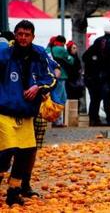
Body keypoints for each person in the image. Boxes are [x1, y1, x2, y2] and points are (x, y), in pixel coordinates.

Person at [0, 20, 56, 206]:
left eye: (27, 34)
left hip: (27, 113)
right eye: (20, 34)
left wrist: (38, 86)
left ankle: (14, 191)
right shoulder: (4, 54)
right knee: (6, 152)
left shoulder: (39, 54)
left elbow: (51, 76)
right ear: (15, 35)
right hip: (5, 110)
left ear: (33, 36)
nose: (23, 38)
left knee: (25, 154)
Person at [82, 24, 110, 126]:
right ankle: (107, 118)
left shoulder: (95, 45)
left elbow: (85, 58)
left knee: (95, 100)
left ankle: (94, 119)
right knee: (106, 99)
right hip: (104, 77)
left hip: (93, 78)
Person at [47, 35, 73, 127]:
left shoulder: (48, 50)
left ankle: (54, 119)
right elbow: (71, 61)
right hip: (61, 76)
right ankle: (57, 120)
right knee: (60, 98)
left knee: (55, 97)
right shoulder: (61, 50)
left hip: (51, 76)